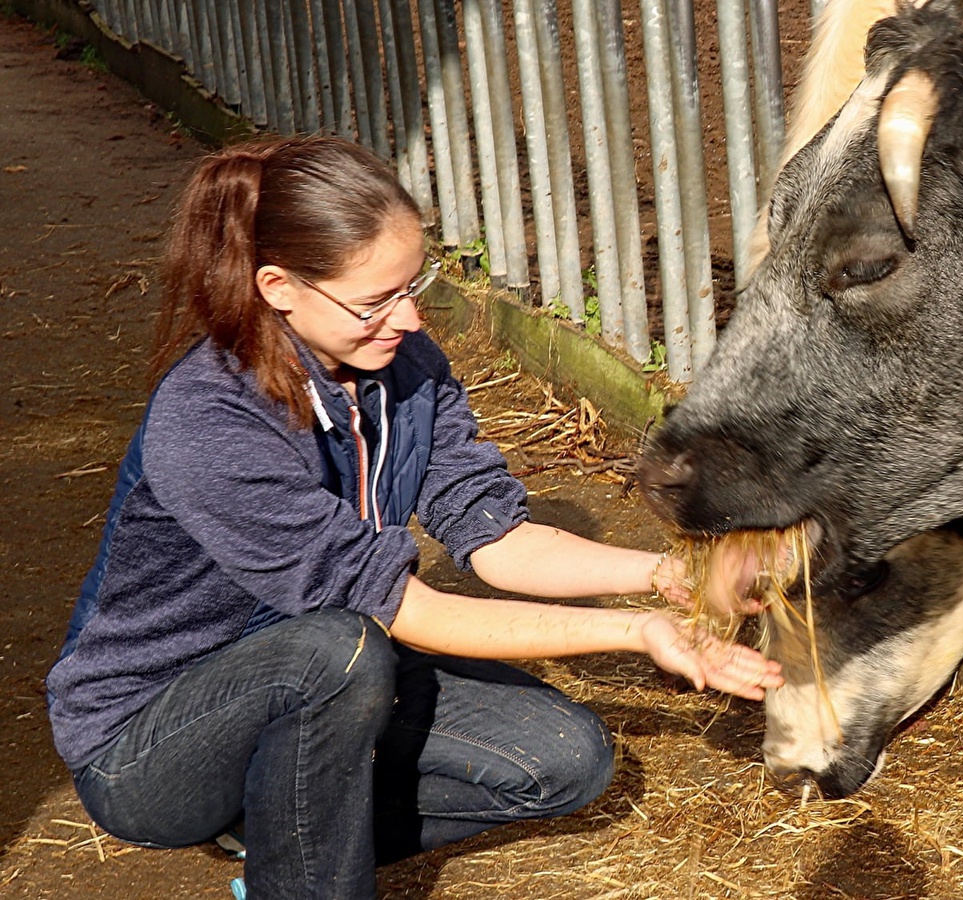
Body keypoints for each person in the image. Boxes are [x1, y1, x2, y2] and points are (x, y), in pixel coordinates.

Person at [44, 135, 781, 899]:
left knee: (565, 759)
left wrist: (670, 577)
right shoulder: (210, 419)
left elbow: (495, 537)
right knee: (341, 650)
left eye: (413, 284)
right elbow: (401, 608)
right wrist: (635, 633)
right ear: (278, 286)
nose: (412, 319)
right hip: (148, 743)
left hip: (319, 674)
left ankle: (281, 828)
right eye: (375, 302)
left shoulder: (404, 369)